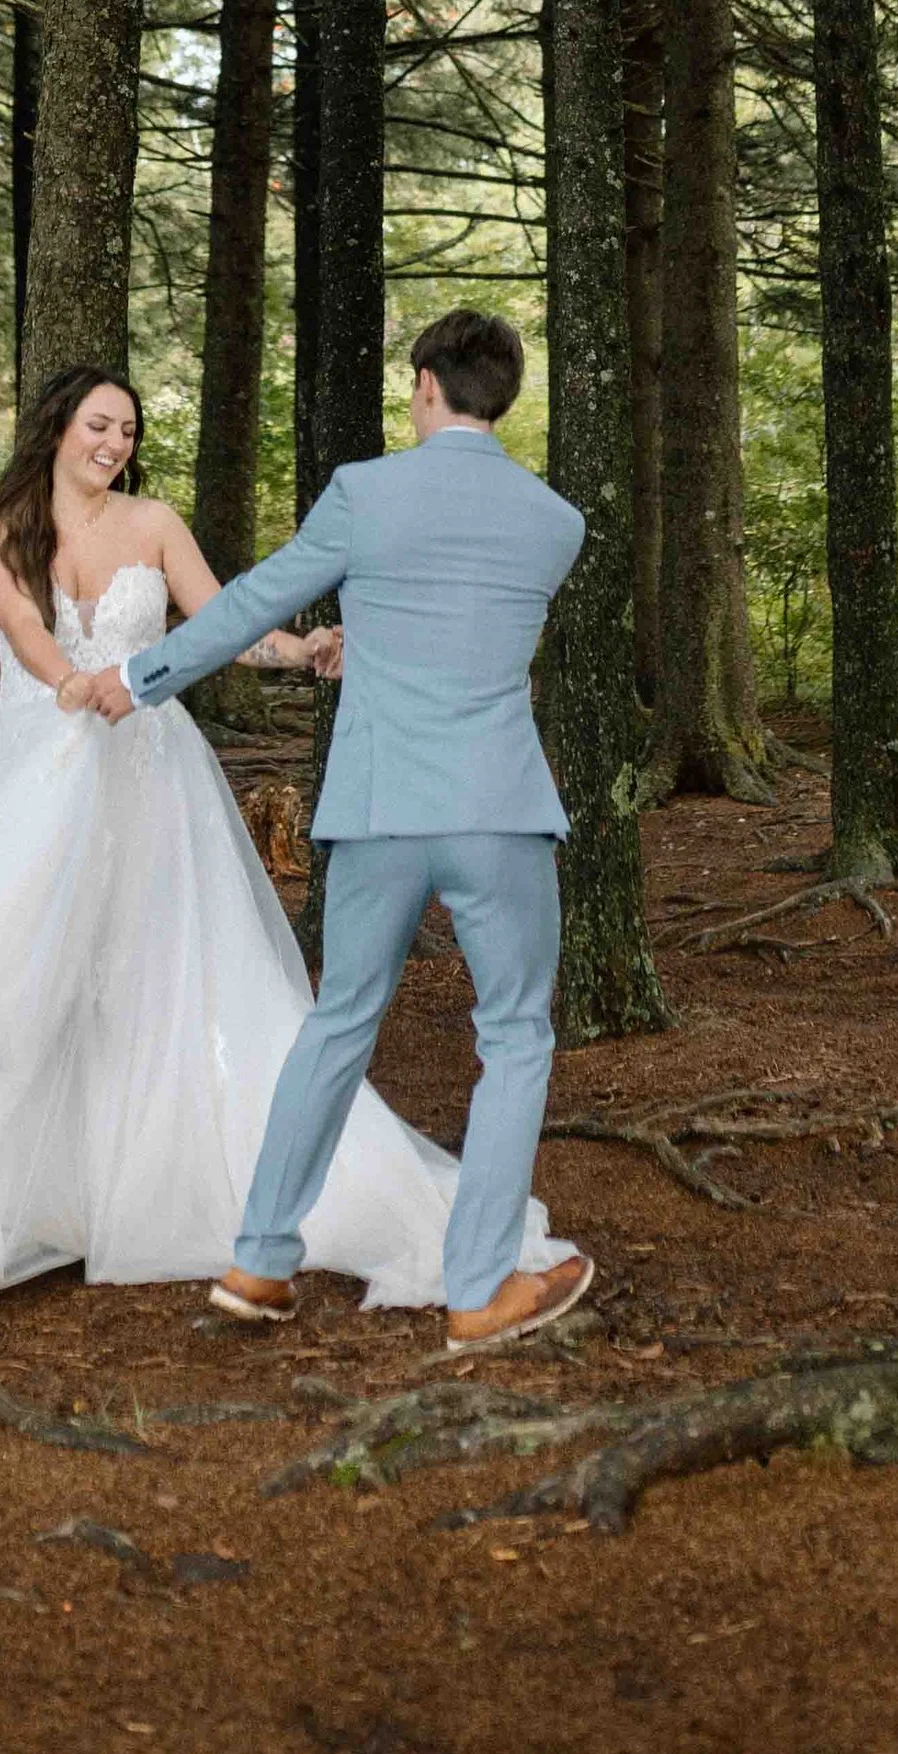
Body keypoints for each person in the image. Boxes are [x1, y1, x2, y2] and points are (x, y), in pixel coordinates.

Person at [0, 361, 565, 1324]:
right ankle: (1, 1203)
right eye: (98, 425)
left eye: (127, 431)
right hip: (45, 767)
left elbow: (228, 618)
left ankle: (167, 1197)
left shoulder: (155, 523)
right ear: (57, 428)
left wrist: (302, 651)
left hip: (149, 774)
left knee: (158, 971)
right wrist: (86, 688)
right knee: (24, 982)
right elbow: (31, 638)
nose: (113, 444)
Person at [74, 305, 597, 1355]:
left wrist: (138, 678)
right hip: (498, 808)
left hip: (379, 810)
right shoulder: (556, 521)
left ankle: (259, 1263)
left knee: (338, 1025)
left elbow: (247, 604)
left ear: (424, 387)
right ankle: (480, 1286)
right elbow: (470, 622)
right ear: (504, 398)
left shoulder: (365, 493)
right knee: (515, 1036)